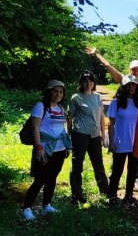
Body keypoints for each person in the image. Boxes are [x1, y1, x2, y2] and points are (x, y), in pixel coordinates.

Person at [20, 80, 71, 220]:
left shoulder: (60, 107)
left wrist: (67, 146)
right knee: (40, 179)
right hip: (45, 148)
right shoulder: (40, 106)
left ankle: (46, 206)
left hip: (59, 149)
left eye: (61, 92)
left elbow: (62, 128)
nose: (58, 94)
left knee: (52, 178)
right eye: (55, 91)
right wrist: (39, 148)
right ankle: (26, 208)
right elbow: (35, 128)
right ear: (48, 92)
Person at [107, 75, 138, 205]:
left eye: (133, 85)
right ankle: (112, 197)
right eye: (128, 85)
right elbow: (111, 124)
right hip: (120, 142)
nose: (131, 87)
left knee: (132, 171)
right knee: (117, 171)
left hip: (135, 143)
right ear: (123, 87)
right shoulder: (116, 102)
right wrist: (111, 142)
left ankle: (129, 195)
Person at [67, 71, 109, 204]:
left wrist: (103, 133)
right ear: (81, 83)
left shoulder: (97, 97)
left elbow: (102, 116)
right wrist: (68, 136)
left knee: (98, 164)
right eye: (85, 81)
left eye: (91, 81)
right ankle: (77, 195)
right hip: (80, 134)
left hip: (95, 135)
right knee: (77, 165)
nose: (88, 83)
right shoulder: (76, 97)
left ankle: (105, 192)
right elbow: (69, 118)